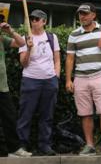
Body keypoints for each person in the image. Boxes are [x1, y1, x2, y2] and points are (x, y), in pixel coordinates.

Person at [65, 3, 101, 156]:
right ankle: (90, 145)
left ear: (93, 15)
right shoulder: (74, 34)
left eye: (85, 13)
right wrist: (68, 80)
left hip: (100, 75)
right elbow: (70, 58)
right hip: (80, 78)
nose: (82, 16)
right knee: (85, 114)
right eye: (80, 14)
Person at [17, 10, 60, 156]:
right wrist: (28, 48)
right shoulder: (24, 38)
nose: (33, 21)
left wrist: (56, 77)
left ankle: (44, 145)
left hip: (49, 81)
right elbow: (23, 63)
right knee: (26, 114)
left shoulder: (52, 37)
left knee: (47, 115)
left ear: (44, 21)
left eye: (37, 19)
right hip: (30, 80)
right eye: (32, 19)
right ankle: (22, 145)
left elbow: (57, 59)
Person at [0, 20, 32, 157]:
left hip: (2, 86)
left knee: (10, 117)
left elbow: (21, 43)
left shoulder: (1, 38)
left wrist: (10, 31)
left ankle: (14, 148)